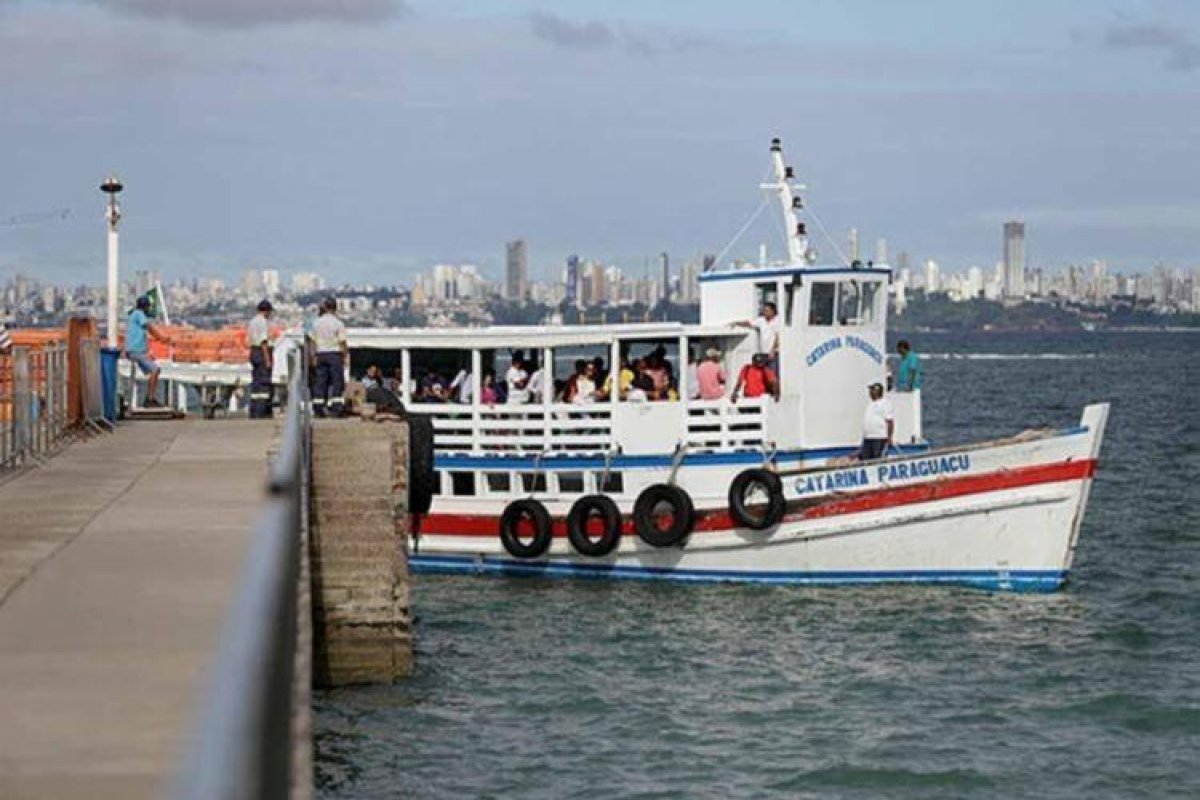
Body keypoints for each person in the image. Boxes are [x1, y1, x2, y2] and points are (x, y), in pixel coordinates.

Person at [126, 295, 172, 407]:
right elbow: (149, 327)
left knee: (153, 371)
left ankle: (149, 398)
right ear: (146, 307)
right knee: (155, 370)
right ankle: (149, 399)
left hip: (136, 351)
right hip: (135, 351)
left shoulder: (134, 314)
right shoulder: (139, 314)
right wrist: (162, 338)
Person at [309, 297, 347, 418]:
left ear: (324, 307)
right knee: (337, 381)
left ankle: (318, 407)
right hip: (334, 353)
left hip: (321, 354)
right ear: (335, 308)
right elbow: (342, 341)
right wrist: (345, 355)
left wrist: (313, 355)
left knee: (320, 381)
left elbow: (312, 341)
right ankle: (336, 408)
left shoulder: (317, 323)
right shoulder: (338, 323)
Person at [735, 302, 781, 373]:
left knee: (773, 374)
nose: (765, 312)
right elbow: (749, 323)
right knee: (765, 373)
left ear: (773, 311)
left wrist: (773, 350)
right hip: (764, 352)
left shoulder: (777, 321)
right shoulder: (761, 320)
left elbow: (778, 336)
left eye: (767, 311)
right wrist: (736, 323)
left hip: (774, 353)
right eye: (764, 311)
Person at [247, 299, 274, 419]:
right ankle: (261, 411)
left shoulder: (252, 321)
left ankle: (253, 410)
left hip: (253, 351)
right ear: (267, 311)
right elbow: (264, 341)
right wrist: (267, 359)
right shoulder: (263, 322)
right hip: (261, 352)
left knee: (256, 382)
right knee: (264, 382)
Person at [859, 382, 894, 460]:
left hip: (879, 437)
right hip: (868, 437)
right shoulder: (871, 404)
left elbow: (889, 421)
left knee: (877, 458)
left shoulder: (885, 403)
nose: (870, 393)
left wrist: (889, 437)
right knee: (865, 459)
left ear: (877, 391)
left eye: (872, 390)